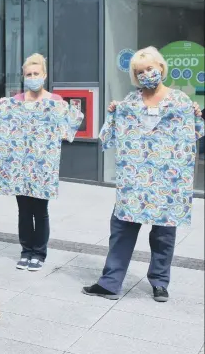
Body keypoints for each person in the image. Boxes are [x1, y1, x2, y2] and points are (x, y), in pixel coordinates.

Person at [83, 46, 203, 303]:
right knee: (121, 228)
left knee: (163, 233)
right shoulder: (129, 102)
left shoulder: (180, 101)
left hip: (167, 181)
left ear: (161, 67)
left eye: (150, 68)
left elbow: (197, 133)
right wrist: (114, 113)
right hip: (134, 180)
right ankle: (110, 282)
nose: (146, 74)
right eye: (140, 71)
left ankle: (160, 282)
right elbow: (108, 137)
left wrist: (195, 115)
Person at [4, 53, 64, 272]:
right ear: (23, 76)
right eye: (28, 74)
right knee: (23, 210)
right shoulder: (13, 102)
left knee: (40, 210)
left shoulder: (56, 102)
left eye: (36, 73)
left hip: (42, 167)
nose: (32, 77)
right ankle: (25, 250)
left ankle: (39, 252)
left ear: (44, 75)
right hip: (19, 167)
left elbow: (67, 128)